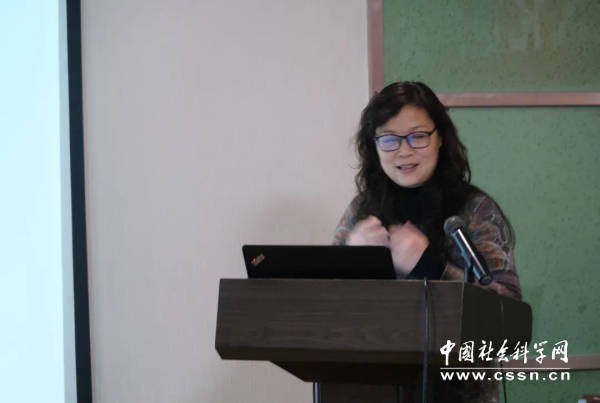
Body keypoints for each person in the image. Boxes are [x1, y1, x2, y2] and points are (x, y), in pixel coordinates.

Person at [332, 81, 522, 402]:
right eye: (389, 139)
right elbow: (325, 305)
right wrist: (350, 259)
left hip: (458, 391)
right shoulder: (361, 210)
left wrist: (431, 267)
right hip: (369, 388)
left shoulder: (474, 209)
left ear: (440, 139)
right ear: (374, 146)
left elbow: (508, 315)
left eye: (417, 136)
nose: (404, 151)